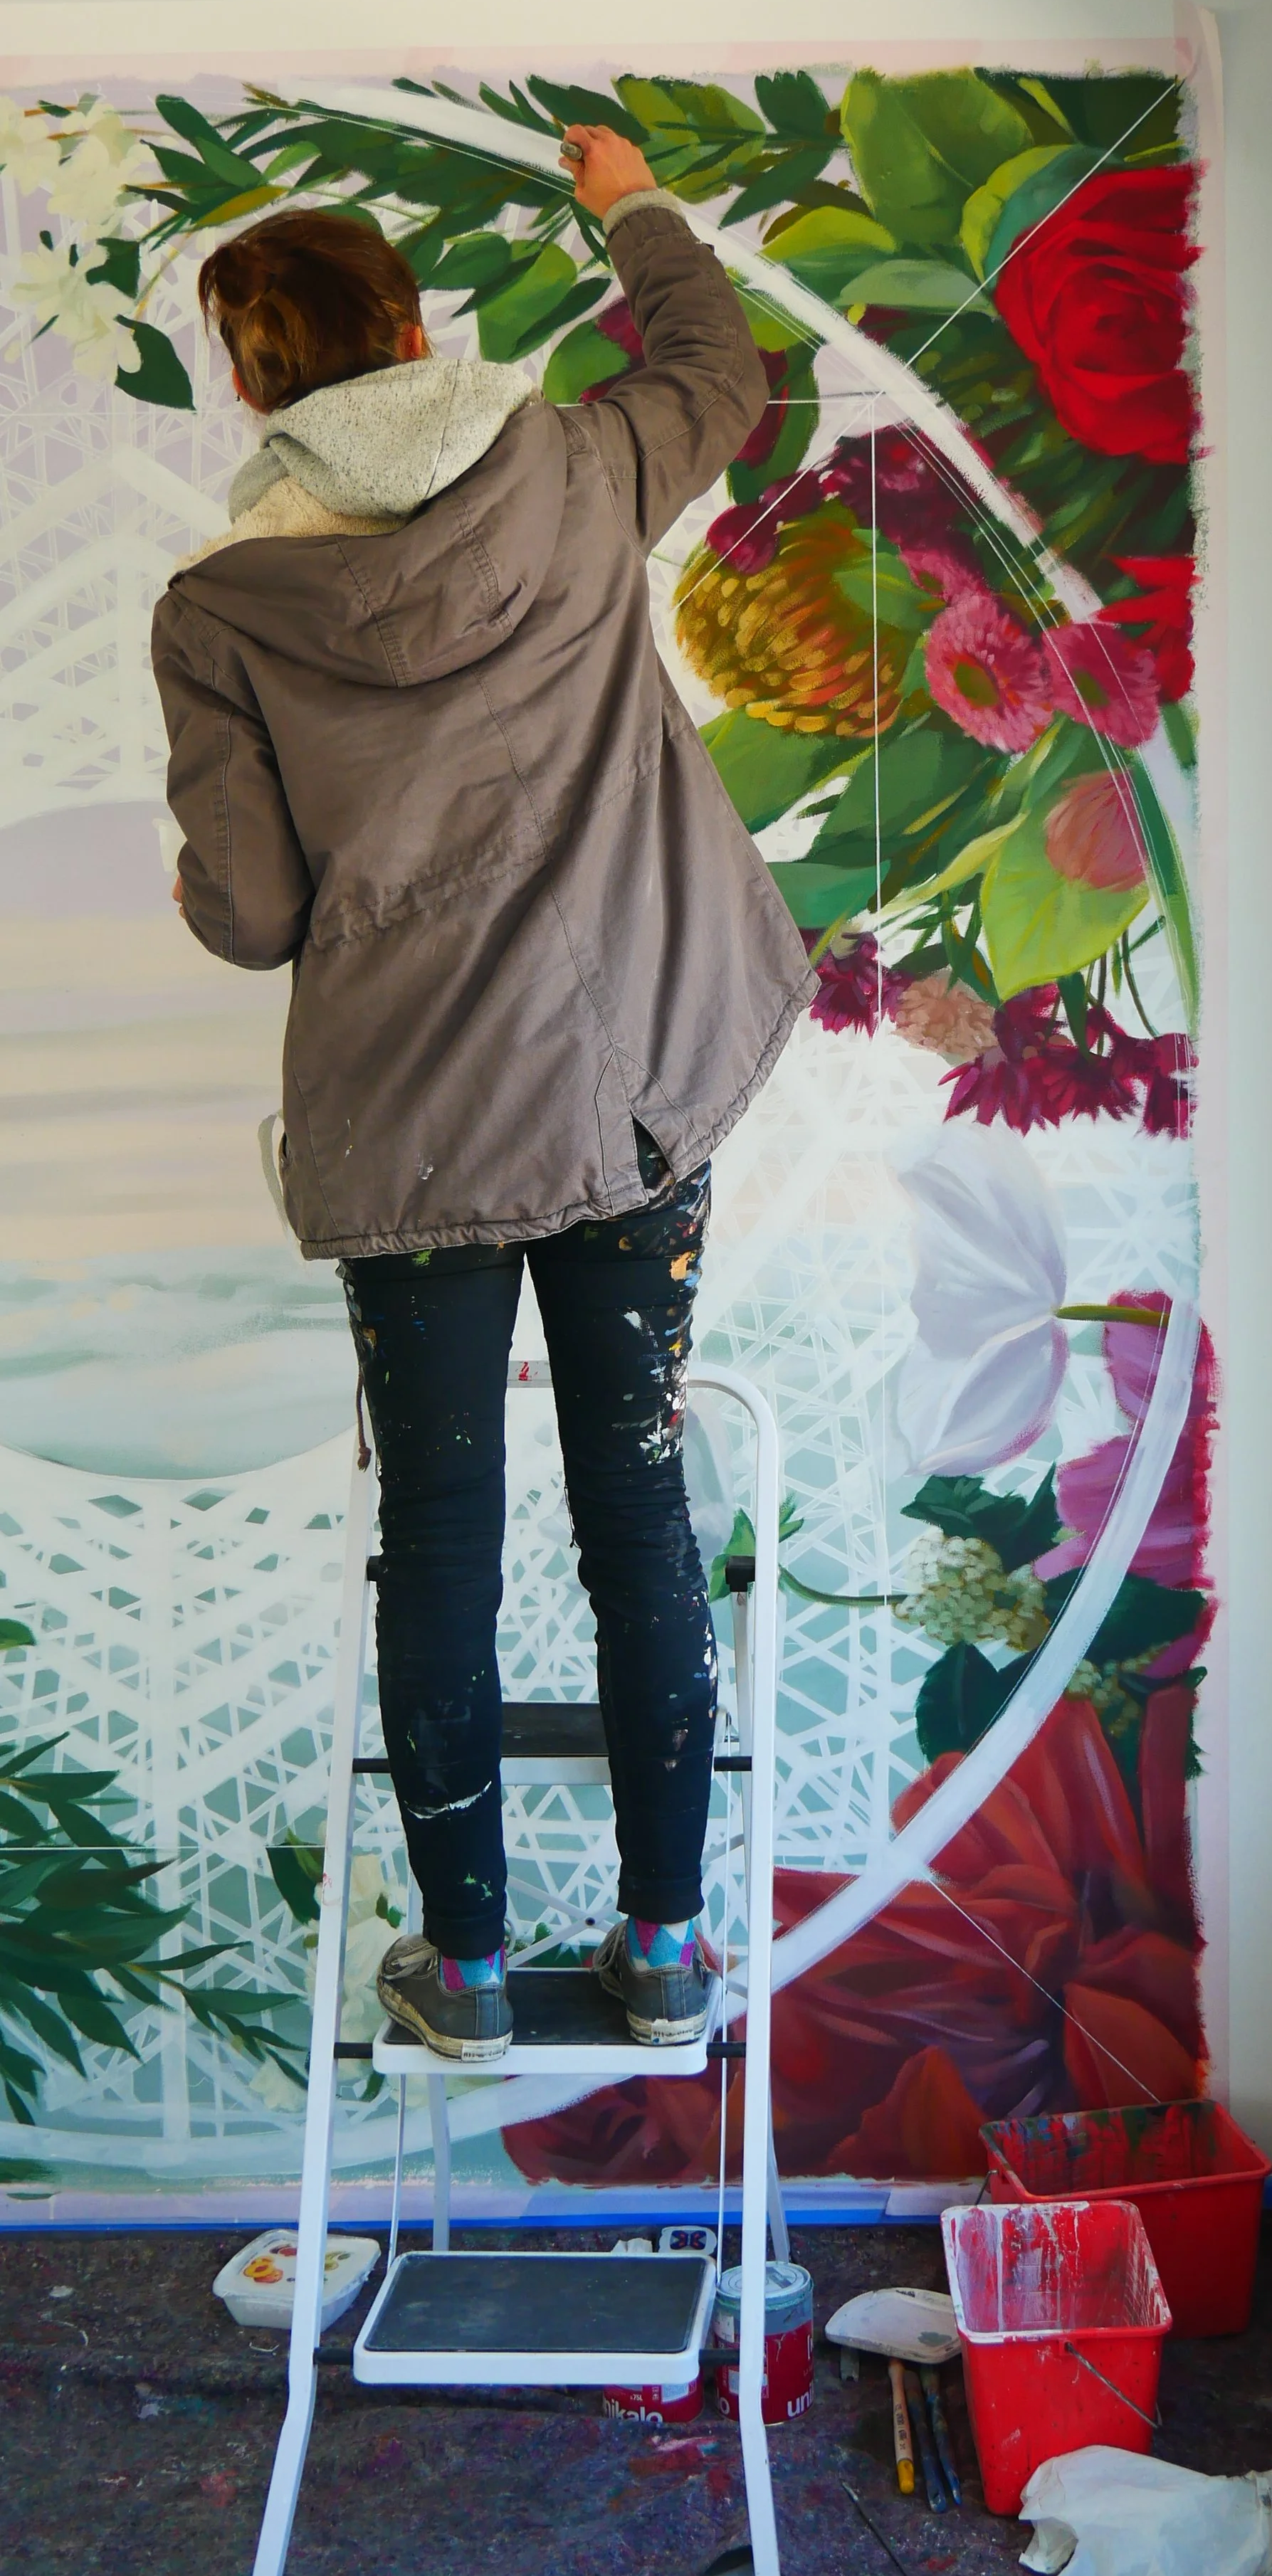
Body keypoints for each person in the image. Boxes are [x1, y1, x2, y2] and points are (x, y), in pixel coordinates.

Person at [152, 125, 814, 2064]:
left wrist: (196, 877)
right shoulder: (573, 469)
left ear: (255, 378)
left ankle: (459, 1970)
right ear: (416, 326)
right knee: (636, 1503)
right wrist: (624, 200)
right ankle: (669, 1943)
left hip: (411, 1128)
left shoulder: (220, 606)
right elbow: (719, 367)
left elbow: (256, 918)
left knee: (439, 1535)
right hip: (628, 1101)